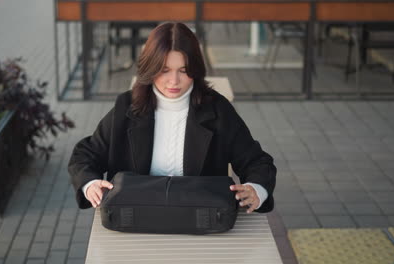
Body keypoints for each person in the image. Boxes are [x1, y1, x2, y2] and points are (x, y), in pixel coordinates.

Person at [68, 22, 276, 214]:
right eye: (164, 70)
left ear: (195, 70)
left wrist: (255, 189)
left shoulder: (217, 109)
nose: (174, 81)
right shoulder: (127, 107)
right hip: (136, 218)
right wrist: (90, 184)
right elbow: (84, 155)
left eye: (183, 71)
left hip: (200, 221)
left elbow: (257, 162)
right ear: (150, 69)